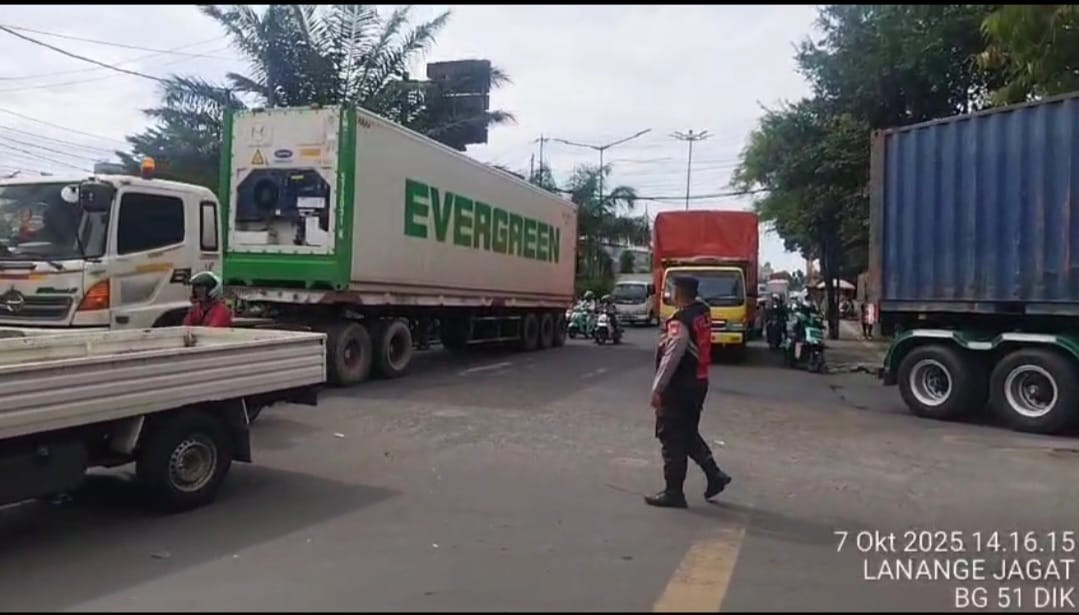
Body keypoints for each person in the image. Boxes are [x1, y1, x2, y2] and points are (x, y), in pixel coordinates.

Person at [647, 276, 731, 509]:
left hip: (679, 386)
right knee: (686, 432)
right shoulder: (702, 312)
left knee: (671, 436)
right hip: (699, 382)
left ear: (680, 292)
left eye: (673, 290)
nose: (671, 294)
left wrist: (658, 388)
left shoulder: (680, 320)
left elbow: (672, 356)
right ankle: (715, 474)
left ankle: (674, 492)